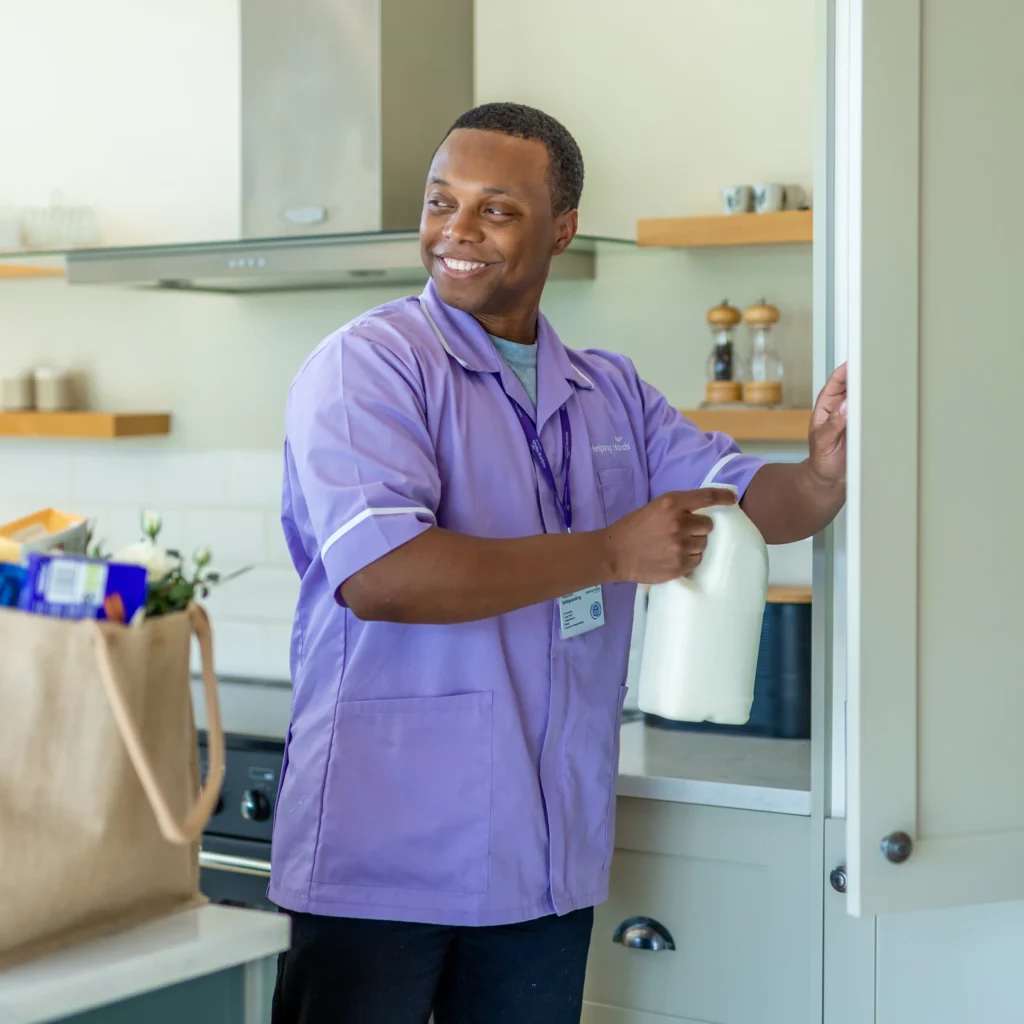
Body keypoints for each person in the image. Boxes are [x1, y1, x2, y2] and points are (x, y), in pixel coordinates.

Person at [270, 102, 846, 1024]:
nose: (456, 232)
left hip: (545, 858)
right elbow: (384, 577)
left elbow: (748, 505)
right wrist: (614, 552)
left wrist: (821, 472)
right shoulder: (369, 367)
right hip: (385, 856)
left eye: (494, 209)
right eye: (440, 202)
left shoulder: (607, 389)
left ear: (561, 228)